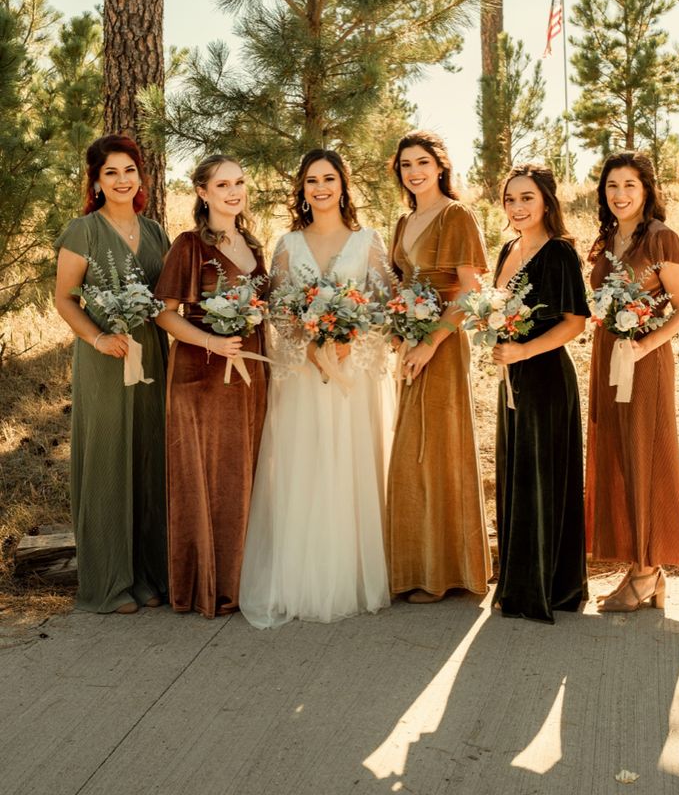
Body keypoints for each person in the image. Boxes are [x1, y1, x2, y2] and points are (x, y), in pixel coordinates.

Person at [239, 149, 393, 628]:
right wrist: (308, 346)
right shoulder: (286, 244)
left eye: (329, 179)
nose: (320, 188)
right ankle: (301, 578)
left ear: (344, 185)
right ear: (301, 191)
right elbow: (280, 309)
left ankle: (352, 573)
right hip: (305, 376)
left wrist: (350, 340)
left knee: (349, 465)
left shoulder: (369, 241)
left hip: (352, 377)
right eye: (311, 181)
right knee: (306, 466)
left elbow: (384, 305)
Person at [54, 135, 169, 614]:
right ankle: (110, 579)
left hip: (151, 357)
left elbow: (168, 301)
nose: (122, 180)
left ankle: (146, 574)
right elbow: (64, 298)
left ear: (141, 176)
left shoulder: (157, 231)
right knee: (108, 459)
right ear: (96, 182)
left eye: (129, 170)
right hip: (104, 360)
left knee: (148, 457)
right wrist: (99, 338)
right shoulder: (83, 231)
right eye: (110, 173)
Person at [155, 156, 268, 619]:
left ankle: (243, 581)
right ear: (202, 192)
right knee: (206, 480)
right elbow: (164, 314)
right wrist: (213, 341)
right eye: (223, 184)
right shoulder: (188, 246)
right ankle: (206, 586)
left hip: (250, 376)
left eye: (240, 182)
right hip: (200, 378)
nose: (233, 191)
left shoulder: (255, 244)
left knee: (242, 478)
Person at [586, 151, 679, 612]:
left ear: (647, 189)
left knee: (645, 453)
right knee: (618, 454)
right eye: (612, 186)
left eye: (629, 185)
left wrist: (645, 345)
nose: (620, 195)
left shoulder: (661, 238)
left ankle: (647, 572)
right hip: (608, 354)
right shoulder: (606, 239)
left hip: (644, 360)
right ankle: (643, 567)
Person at [386, 130, 491, 603]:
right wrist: (399, 329)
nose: (414, 171)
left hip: (443, 344)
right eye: (406, 164)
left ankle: (446, 572)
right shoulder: (403, 221)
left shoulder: (456, 215)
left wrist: (431, 340)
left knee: (440, 447)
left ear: (440, 166)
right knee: (411, 450)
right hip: (410, 341)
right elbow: (399, 283)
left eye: (422, 162)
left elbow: (470, 291)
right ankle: (412, 565)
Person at [491, 164, 589, 623]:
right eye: (510, 199)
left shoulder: (560, 254)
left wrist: (524, 349)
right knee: (516, 475)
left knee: (543, 478)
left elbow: (574, 323)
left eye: (526, 197)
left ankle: (549, 586)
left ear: (546, 201)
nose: (517, 207)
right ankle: (516, 581)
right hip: (511, 380)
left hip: (547, 378)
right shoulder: (507, 249)